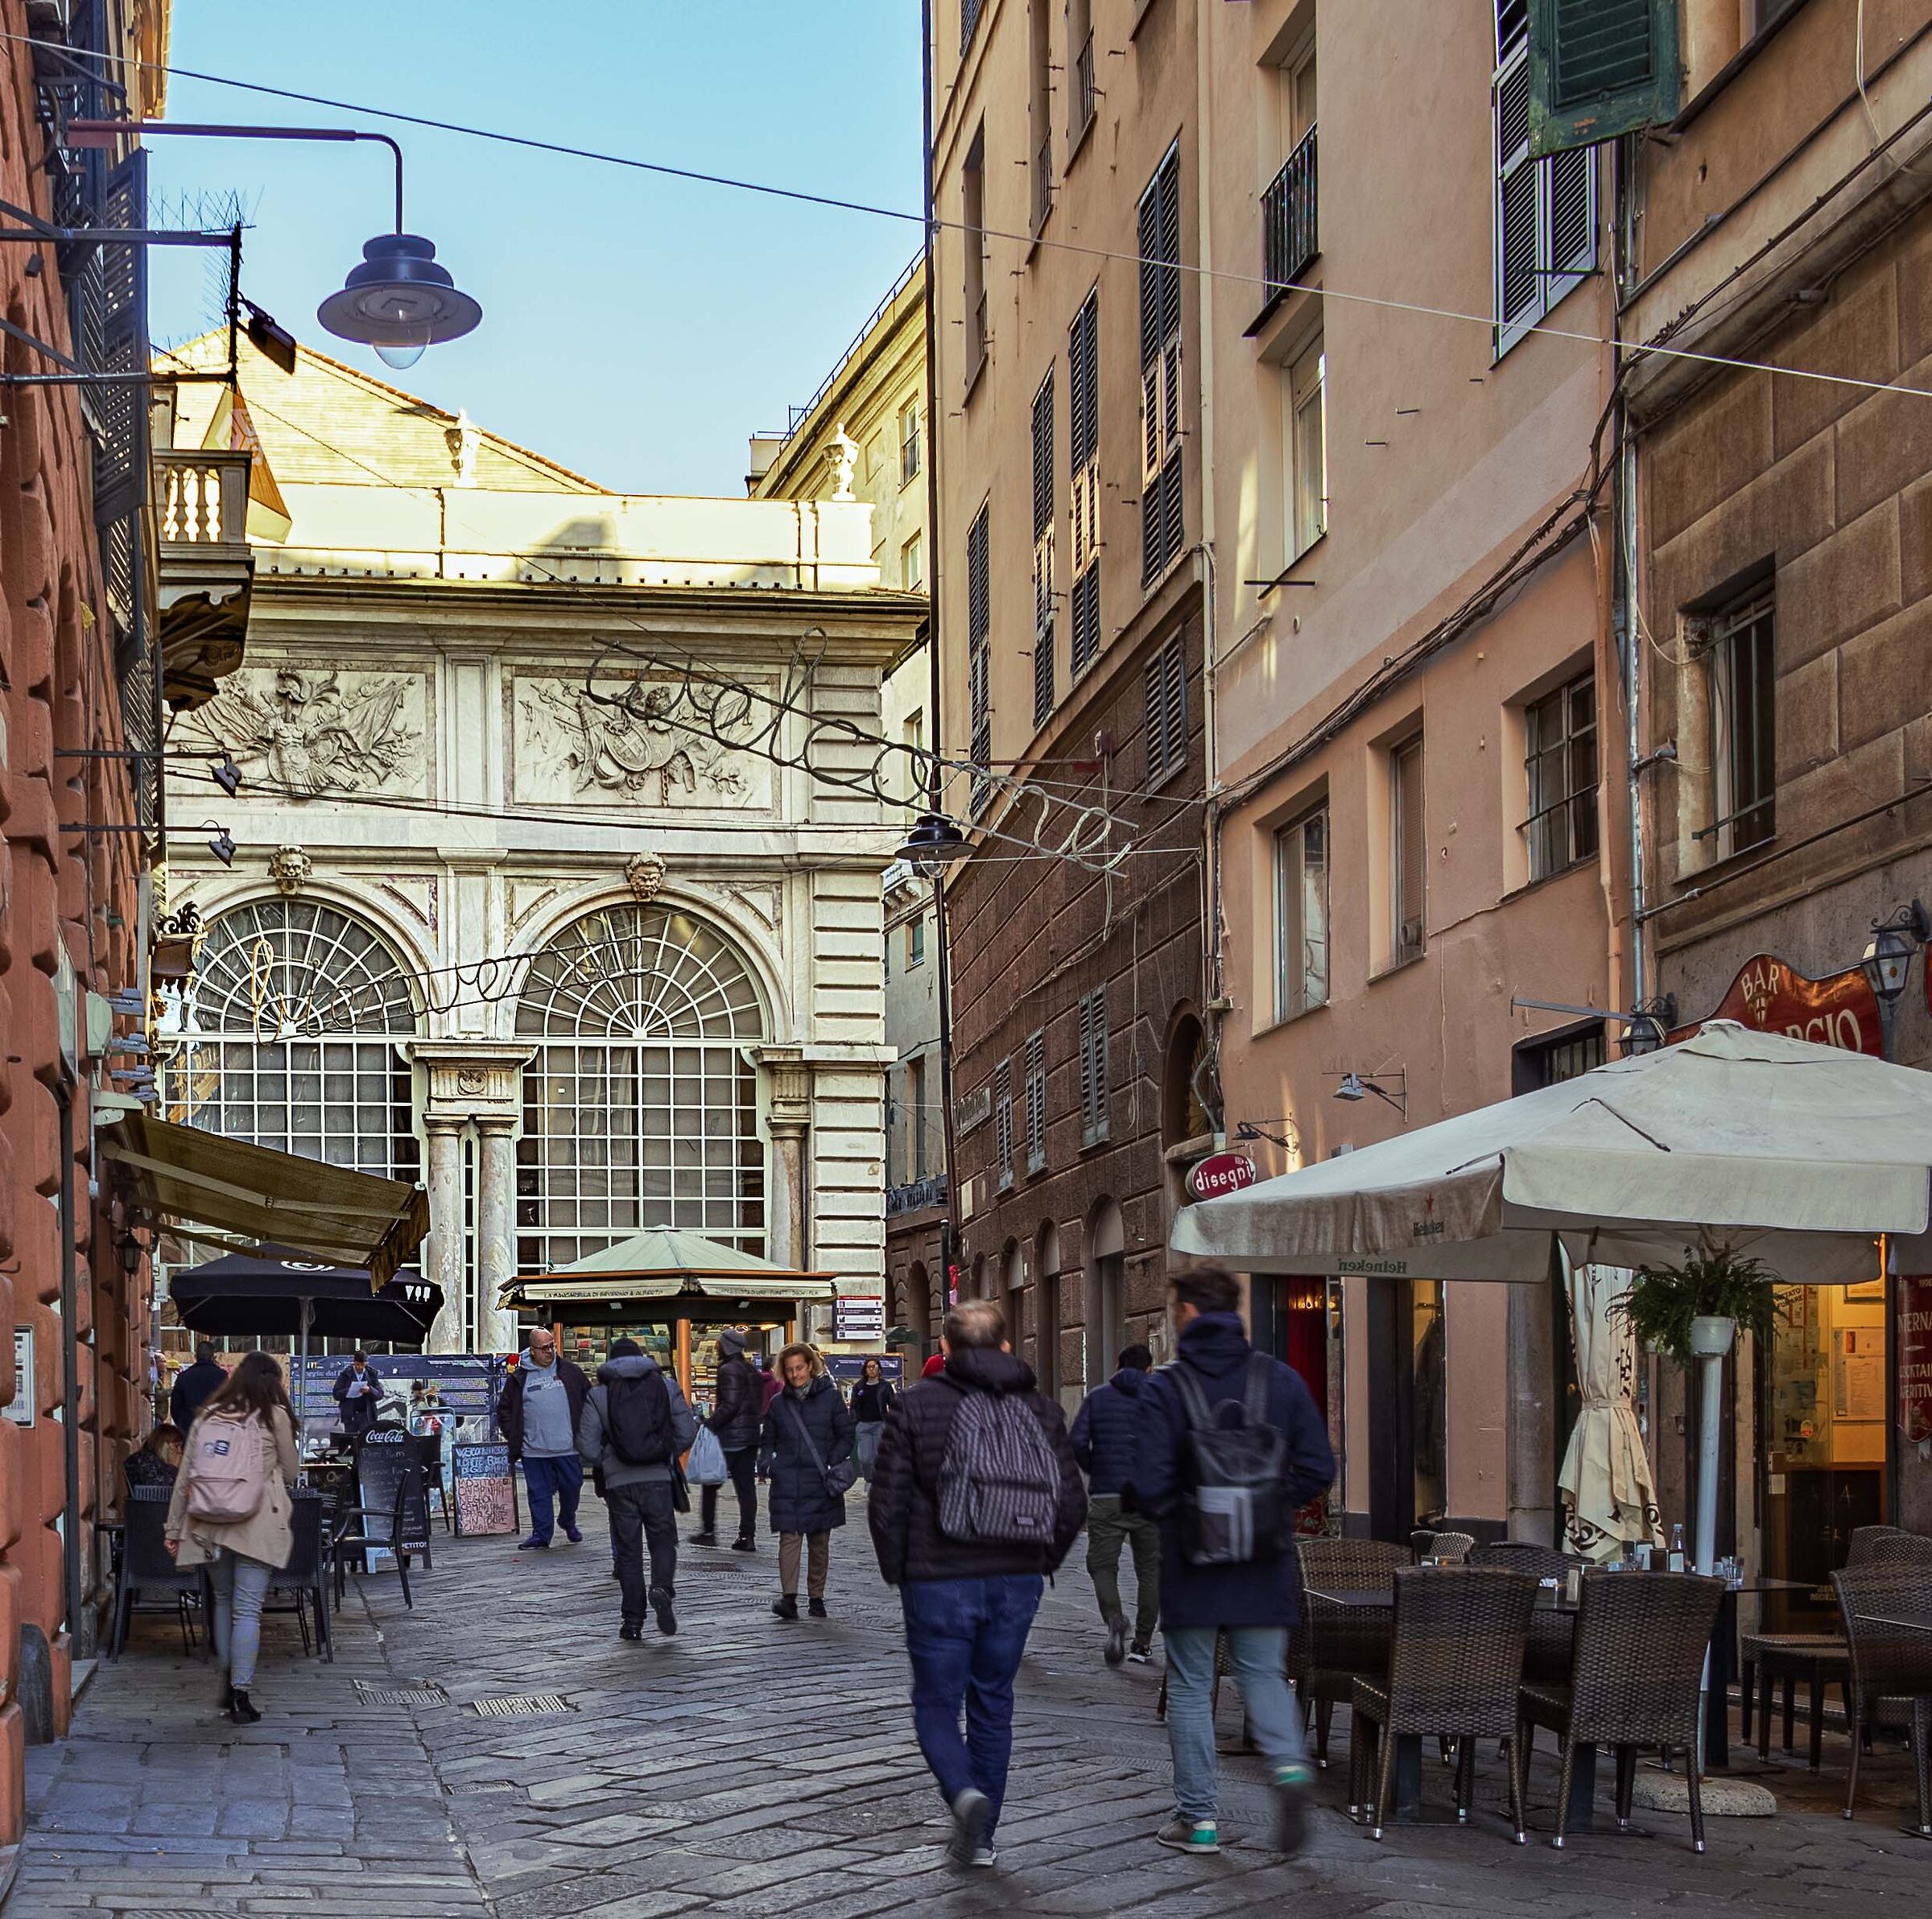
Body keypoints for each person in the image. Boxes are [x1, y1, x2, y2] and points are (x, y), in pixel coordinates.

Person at [867, 1299, 1086, 1869]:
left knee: (937, 1701)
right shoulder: (1042, 1409)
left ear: (945, 1349)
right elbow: (1071, 1502)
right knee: (993, 1702)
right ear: (1006, 1345)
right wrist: (1043, 1560)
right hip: (1016, 1579)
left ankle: (962, 1793)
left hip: (939, 1579)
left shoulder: (914, 1407)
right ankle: (983, 1840)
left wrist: (900, 1569)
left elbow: (886, 1502)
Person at [1133, 1266, 1335, 1857]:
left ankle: (1198, 1820)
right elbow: (1320, 1468)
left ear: (1189, 1313)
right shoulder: (1281, 1381)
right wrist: (1268, 1505)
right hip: (1264, 1556)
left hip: (1193, 1562)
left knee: (1194, 1686)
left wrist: (1188, 1513)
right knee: (1263, 1674)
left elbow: (1145, 1484)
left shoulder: (1166, 1389)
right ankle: (1291, 1771)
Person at [164, 1352, 299, 1724]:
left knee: (223, 1600)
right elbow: (290, 1472)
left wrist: (173, 1528)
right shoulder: (275, 1417)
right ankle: (241, 1694)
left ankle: (227, 1672)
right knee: (248, 1609)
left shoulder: (209, 1416)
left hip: (210, 1521)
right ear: (273, 1382)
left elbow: (185, 1477)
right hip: (256, 1523)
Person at [577, 1337, 697, 1640]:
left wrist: (609, 1459)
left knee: (629, 1553)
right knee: (663, 1541)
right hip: (658, 1478)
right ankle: (661, 1587)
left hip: (620, 1484)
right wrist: (665, 1452)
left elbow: (587, 1447)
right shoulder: (665, 1386)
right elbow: (687, 1432)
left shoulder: (599, 1394)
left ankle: (632, 1622)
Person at [1071, 1343, 1160, 1666]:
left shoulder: (1098, 1396)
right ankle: (1143, 1643)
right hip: (1150, 1496)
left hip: (1107, 1493)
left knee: (1102, 1565)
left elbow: (1077, 1441)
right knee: (1151, 1569)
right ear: (1149, 1368)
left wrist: (1096, 1466)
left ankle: (1114, 1619)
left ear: (1118, 1366)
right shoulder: (1161, 1397)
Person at [758, 1343, 853, 1620]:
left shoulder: (832, 1399)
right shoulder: (778, 1404)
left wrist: (830, 1460)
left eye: (799, 1367)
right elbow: (768, 1441)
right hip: (787, 1481)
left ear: (810, 1366)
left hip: (820, 1479)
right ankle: (789, 1598)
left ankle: (816, 1597)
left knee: (819, 1541)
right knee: (789, 1538)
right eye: (790, 1370)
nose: (796, 1374)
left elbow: (846, 1435)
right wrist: (768, 1464)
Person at [498, 1328, 591, 1550]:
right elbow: (504, 1409)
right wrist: (515, 1434)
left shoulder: (570, 1371)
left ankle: (568, 1519)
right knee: (538, 1493)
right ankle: (542, 1534)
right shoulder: (519, 1377)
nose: (550, 1351)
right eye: (544, 1348)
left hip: (568, 1447)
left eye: (552, 1346)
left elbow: (589, 1399)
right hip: (534, 1450)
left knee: (572, 1486)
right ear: (532, 1350)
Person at [691, 1328, 762, 1550]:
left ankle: (709, 1531)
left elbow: (730, 1405)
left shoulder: (728, 1370)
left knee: (711, 1482)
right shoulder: (751, 1370)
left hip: (731, 1437)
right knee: (746, 1488)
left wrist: (710, 1425)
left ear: (727, 1346)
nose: (717, 1347)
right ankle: (747, 1535)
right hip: (749, 1436)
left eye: (720, 1343)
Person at [849, 1356, 897, 1485]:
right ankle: (868, 1476)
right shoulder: (859, 1386)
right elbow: (853, 1405)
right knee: (865, 1457)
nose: (871, 1369)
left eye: (874, 1366)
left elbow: (893, 1404)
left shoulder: (885, 1386)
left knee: (878, 1456)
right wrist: (855, 1422)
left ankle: (876, 1481)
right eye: (868, 1367)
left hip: (880, 1424)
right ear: (865, 1370)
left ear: (879, 1369)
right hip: (863, 1424)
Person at [170, 1343, 225, 1431]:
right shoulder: (221, 1376)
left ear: (196, 1356)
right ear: (213, 1357)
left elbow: (175, 1407)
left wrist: (184, 1426)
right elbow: (227, 1403)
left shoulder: (184, 1377)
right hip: (215, 1428)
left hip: (190, 1427)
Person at [332, 1350, 384, 1442]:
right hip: (350, 1415)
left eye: (362, 1365)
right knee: (350, 1440)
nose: (359, 1367)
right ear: (354, 1363)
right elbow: (336, 1393)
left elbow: (380, 1394)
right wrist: (350, 1390)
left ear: (366, 1363)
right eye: (357, 1365)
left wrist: (370, 1390)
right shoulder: (345, 1374)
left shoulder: (372, 1374)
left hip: (366, 1415)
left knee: (366, 1440)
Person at [123, 1423, 184, 1493]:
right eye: (176, 1446)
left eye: (181, 1447)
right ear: (164, 1446)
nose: (180, 1451)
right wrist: (173, 1466)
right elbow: (157, 1491)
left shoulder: (157, 1461)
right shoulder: (145, 1460)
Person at [757, 1352, 783, 1416]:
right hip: (773, 1416)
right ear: (773, 1368)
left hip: (757, 1416)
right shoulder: (778, 1381)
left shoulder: (756, 1379)